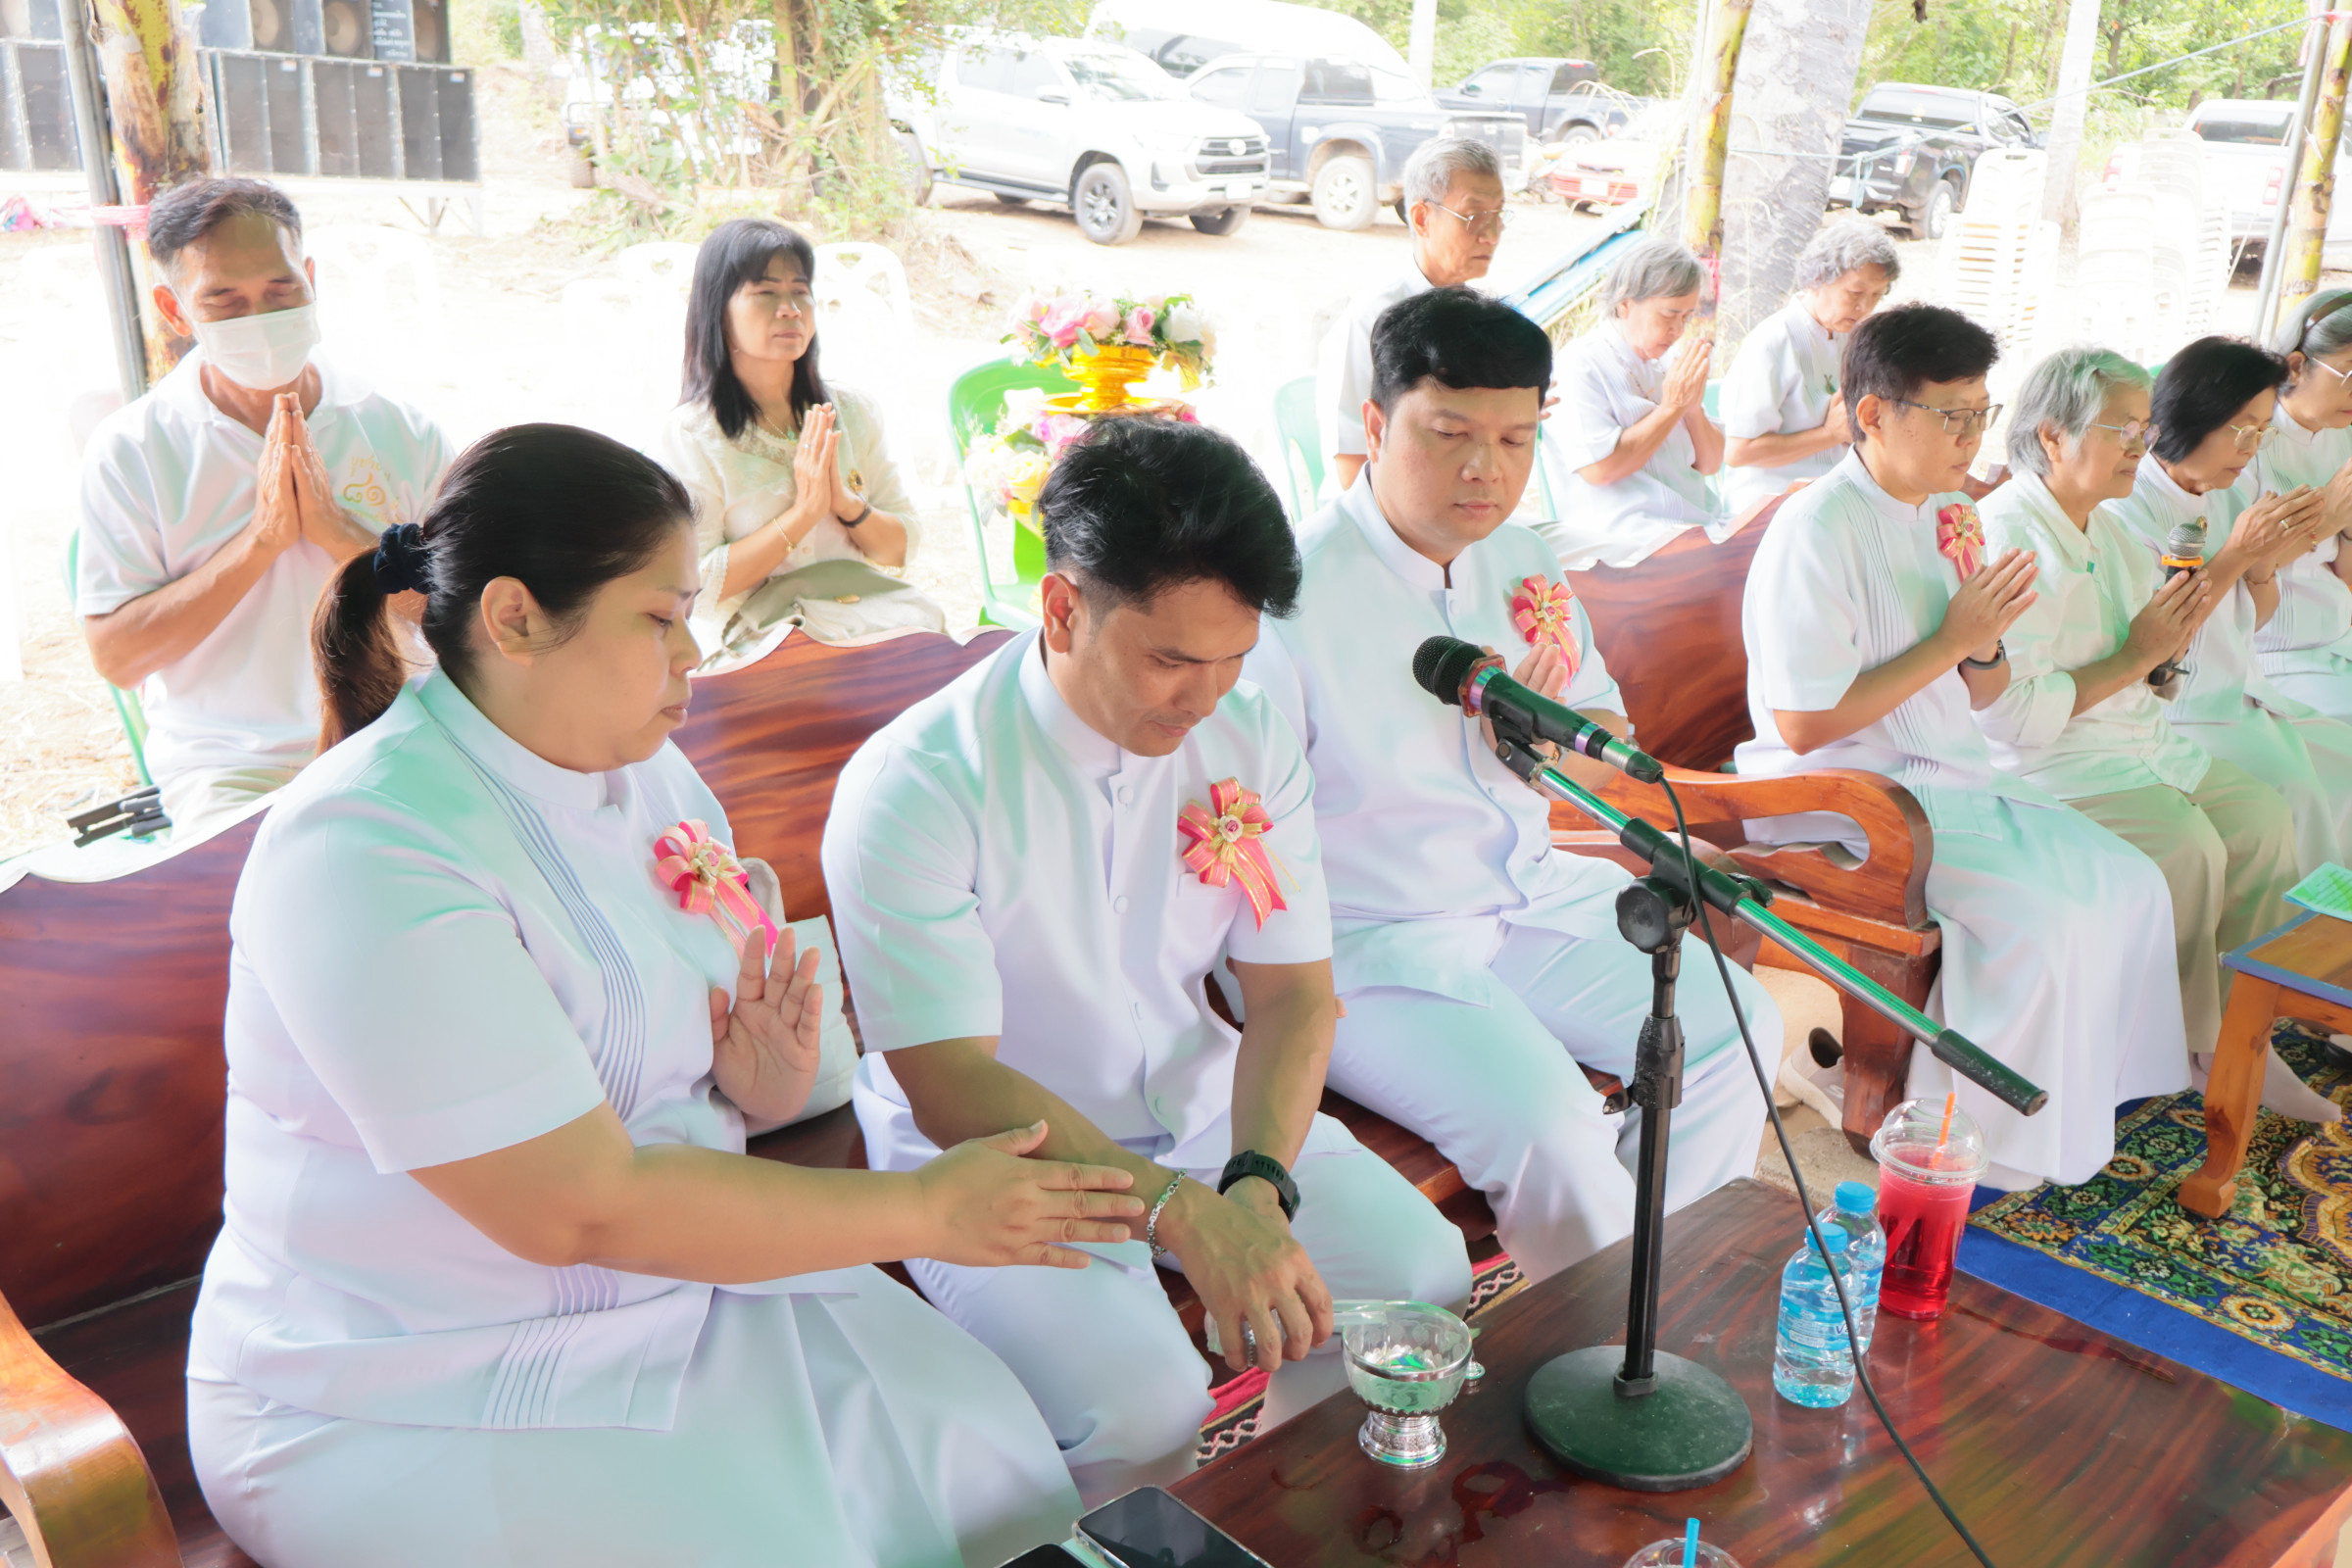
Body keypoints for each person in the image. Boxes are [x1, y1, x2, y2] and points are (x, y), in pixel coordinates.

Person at [188, 423, 1131, 1568]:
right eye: (660, 616)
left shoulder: (647, 771)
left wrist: (763, 1077)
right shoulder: (365, 845)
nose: (692, 651)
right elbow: (572, 1205)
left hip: (678, 1289)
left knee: (994, 1468)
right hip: (405, 1372)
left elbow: (688, 1074)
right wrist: (932, 1212)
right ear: (515, 617)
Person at [821, 417, 1471, 1505]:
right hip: (1000, 1155)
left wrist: (1256, 1187)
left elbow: (1296, 996)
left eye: (1234, 659)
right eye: (1172, 659)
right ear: (1063, 606)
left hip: (1206, 1106)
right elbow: (951, 1081)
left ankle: (1284, 1511)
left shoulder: (1248, 725)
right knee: (1143, 1405)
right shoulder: (918, 783)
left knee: (1420, 1280)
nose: (1206, 698)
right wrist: (1183, 1213)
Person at [1245, 286, 1773, 1283]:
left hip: (1531, 894)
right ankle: (1595, 1341)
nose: (1486, 469)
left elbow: (1605, 728)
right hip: (1373, 940)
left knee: (1739, 1027)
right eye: (1449, 434)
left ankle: (1656, 1288)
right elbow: (1254, 833)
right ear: (1374, 422)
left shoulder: (1523, 554)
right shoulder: (1292, 594)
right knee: (1555, 1130)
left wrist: (1560, 741)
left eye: (1518, 439)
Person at [1735, 305, 2187, 1190]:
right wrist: (1952, 639)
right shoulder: (1815, 527)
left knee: (2131, 882)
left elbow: (1982, 688)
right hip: (1843, 790)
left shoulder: (1949, 511)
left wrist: (1984, 642)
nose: (1972, 437)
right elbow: (1803, 723)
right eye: (1951, 416)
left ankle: (2074, 1106)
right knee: (2046, 919)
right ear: (1871, 414)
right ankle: (1964, 1129)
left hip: (1945, 769)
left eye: (1982, 413)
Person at [1974, 348, 2329, 1123]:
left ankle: (2242, 1038)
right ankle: (2184, 1050)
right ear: (2052, 438)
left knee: (2266, 816)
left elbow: (2154, 659)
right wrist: (2139, 656)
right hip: (2057, 763)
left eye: (2142, 430)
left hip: (2138, 738)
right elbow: (2010, 715)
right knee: (2191, 850)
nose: (2140, 447)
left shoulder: (2103, 527)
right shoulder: (2006, 532)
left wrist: (2160, 658)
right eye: (2121, 431)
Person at [76, 176, 451, 839]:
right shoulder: (134, 451)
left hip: (394, 729)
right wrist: (262, 542)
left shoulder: (398, 429)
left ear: (310, 279)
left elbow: (460, 619)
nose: (261, 318)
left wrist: (340, 537)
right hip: (229, 766)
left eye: (281, 291)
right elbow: (119, 658)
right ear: (174, 310)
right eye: (225, 299)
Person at [2106, 336, 2352, 872]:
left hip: (2237, 690)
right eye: (2241, 429)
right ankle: (2285, 945)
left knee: (2341, 770)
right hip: (2183, 710)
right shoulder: (2127, 510)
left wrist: (2261, 561)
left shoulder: (2228, 494)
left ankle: (2319, 937)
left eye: (2261, 432)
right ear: (2191, 416)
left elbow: (2253, 618)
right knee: (2299, 799)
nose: (2250, 448)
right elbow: (2162, 643)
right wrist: (2240, 552)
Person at [653, 218, 942, 663]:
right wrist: (805, 513)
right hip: (757, 650)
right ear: (718, 312)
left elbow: (901, 547)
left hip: (862, 629)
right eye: (765, 293)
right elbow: (698, 589)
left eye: (800, 290)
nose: (790, 308)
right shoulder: (691, 436)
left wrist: (845, 504)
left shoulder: (854, 412)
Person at [1318, 137, 1510, 491]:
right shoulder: (1371, 319)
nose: (1493, 235)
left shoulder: (1484, 320)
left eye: (1499, 215)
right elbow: (1350, 462)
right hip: (1383, 522)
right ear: (1422, 218)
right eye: (1476, 216)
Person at [1539, 236, 1730, 570]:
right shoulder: (1581, 365)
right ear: (1625, 304)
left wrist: (1692, 408)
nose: (1677, 330)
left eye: (1686, 317)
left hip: (1698, 524)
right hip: (1625, 539)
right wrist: (1671, 409)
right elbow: (1601, 469)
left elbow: (1712, 464)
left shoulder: (1671, 363)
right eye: (1668, 315)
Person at [1721, 219, 1899, 514]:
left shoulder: (1851, 338)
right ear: (1817, 280)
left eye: (1876, 296)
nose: (1865, 308)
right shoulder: (1772, 342)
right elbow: (1739, 452)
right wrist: (1830, 434)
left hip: (1829, 501)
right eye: (1855, 294)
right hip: (1766, 510)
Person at [2248, 290, 2352, 716]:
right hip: (2272, 654)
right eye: (2350, 372)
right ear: (2296, 366)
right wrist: (2325, 519)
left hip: (2335, 639)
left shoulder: (2341, 434)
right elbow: (2237, 571)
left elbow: (2344, 574)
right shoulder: (2245, 443)